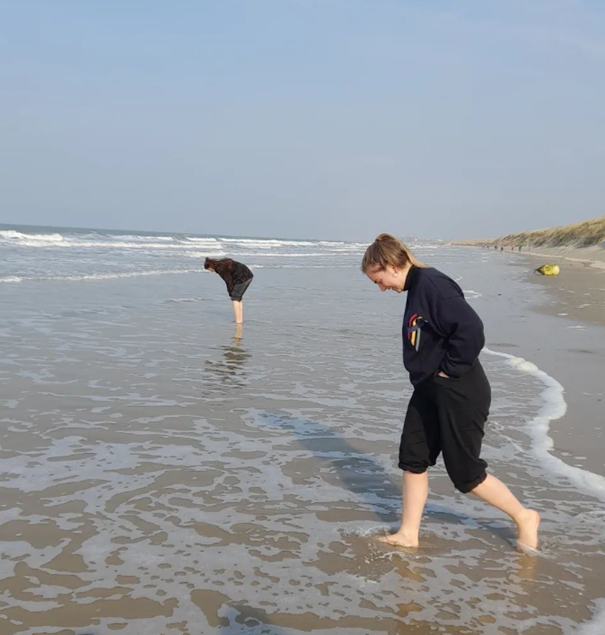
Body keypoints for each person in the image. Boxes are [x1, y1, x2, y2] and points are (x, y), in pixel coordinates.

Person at [362, 234, 540, 551]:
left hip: (459, 390)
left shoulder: (432, 284)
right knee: (412, 459)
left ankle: (524, 516)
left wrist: (447, 371)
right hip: (429, 390)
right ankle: (408, 534)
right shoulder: (417, 288)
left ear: (390, 265)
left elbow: (471, 330)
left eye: (378, 280)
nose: (380, 288)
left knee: (466, 474)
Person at [204, 257, 254, 324]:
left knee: (235, 298)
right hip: (249, 275)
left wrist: (230, 292)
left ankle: (238, 321)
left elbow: (228, 280)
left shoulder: (220, 268)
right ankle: (240, 319)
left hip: (243, 278)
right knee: (238, 298)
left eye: (209, 270)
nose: (210, 271)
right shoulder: (222, 262)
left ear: (210, 266)